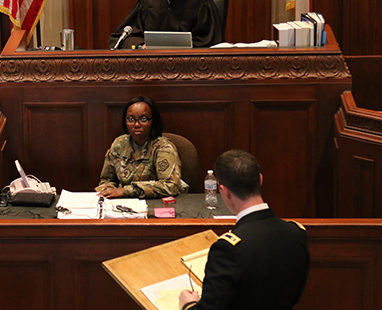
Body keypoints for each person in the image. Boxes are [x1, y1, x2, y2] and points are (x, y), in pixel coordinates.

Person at [178, 149, 310, 310]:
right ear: (260, 180)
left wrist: (188, 304)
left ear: (224, 191)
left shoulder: (227, 249)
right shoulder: (296, 233)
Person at [95, 96, 189, 198]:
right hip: (122, 205)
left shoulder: (163, 148)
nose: (136, 124)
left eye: (143, 119)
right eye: (131, 119)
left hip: (156, 204)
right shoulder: (119, 144)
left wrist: (125, 191)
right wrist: (105, 192)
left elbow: (170, 186)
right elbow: (107, 180)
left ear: (153, 121)